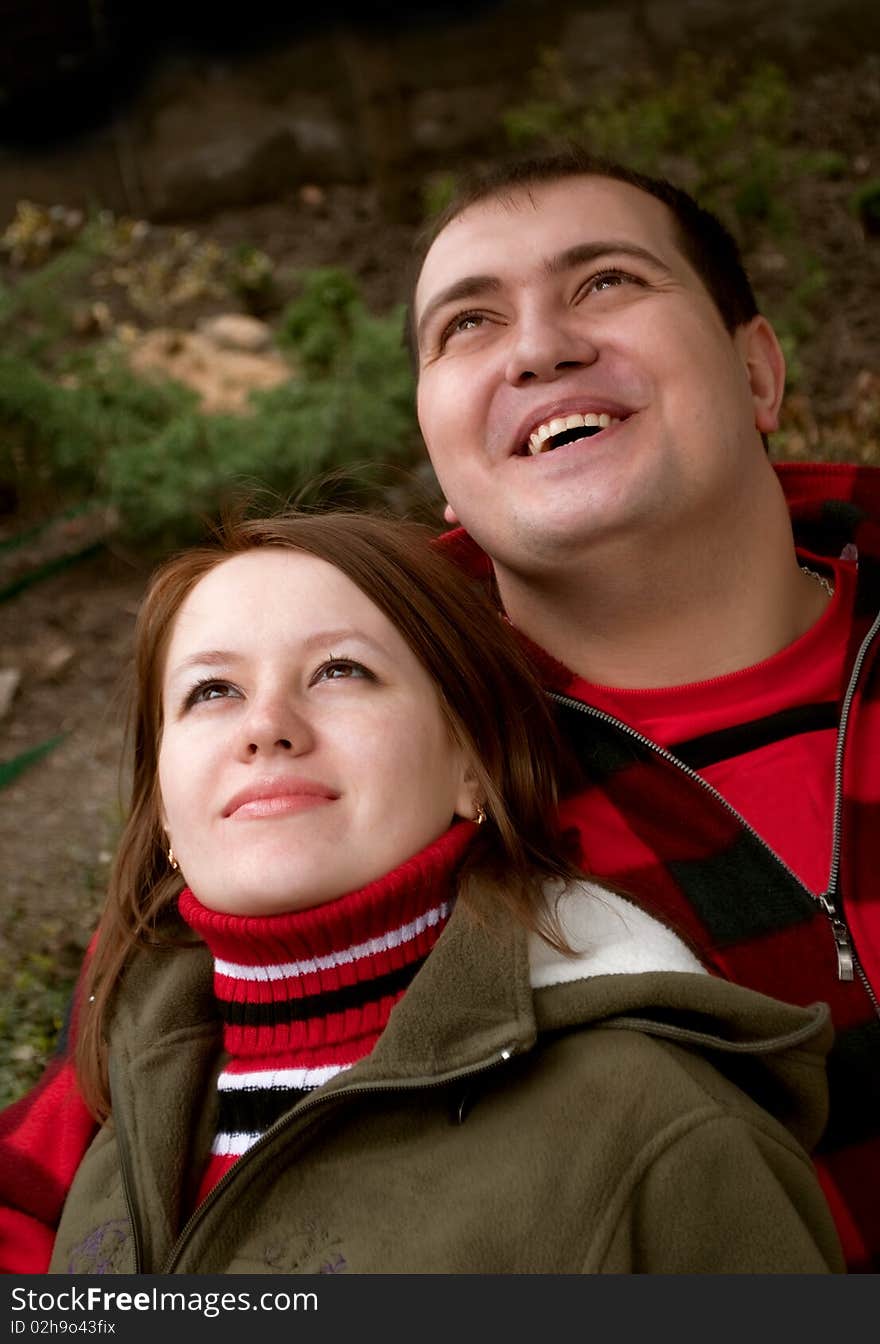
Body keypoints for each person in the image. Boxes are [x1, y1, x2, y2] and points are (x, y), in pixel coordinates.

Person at [0, 511, 843, 1274]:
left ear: (471, 763)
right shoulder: (120, 1117)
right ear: (166, 820)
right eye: (212, 691)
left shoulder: (660, 1135)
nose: (266, 725)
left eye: (339, 671)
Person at [410, 149, 880, 1271]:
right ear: (439, 456)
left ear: (757, 374)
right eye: (467, 325)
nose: (538, 348)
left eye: (606, 282)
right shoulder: (370, 761)